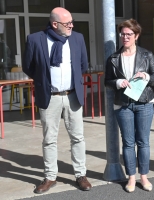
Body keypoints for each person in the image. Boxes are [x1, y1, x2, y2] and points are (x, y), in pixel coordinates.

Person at [22, 7, 91, 194]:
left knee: (78, 137)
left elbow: (83, 64)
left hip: (72, 95)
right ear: (55, 24)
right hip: (50, 97)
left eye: (71, 22)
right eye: (67, 23)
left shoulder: (77, 38)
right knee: (49, 139)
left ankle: (80, 175)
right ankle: (50, 176)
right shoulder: (36, 39)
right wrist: (44, 81)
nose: (71, 25)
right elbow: (29, 66)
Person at [104, 19, 154, 193]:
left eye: (129, 34)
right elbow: (107, 81)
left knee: (143, 142)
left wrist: (147, 76)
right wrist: (118, 82)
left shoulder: (146, 55)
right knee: (128, 143)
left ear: (136, 36)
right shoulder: (113, 58)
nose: (125, 37)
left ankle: (144, 176)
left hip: (144, 103)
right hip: (124, 104)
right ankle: (131, 178)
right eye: (123, 34)